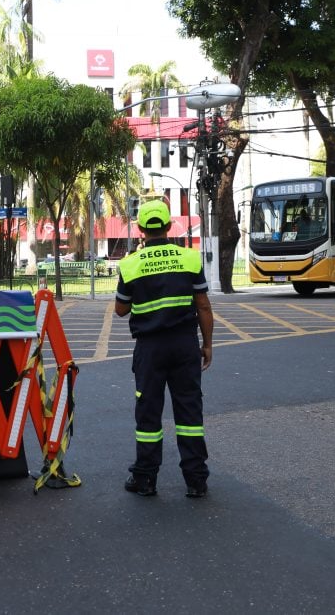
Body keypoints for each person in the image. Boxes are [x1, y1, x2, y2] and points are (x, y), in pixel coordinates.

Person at [114, 199, 214, 499]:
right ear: (169, 227)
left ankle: (145, 478)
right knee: (189, 413)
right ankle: (196, 480)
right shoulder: (189, 259)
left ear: (142, 229)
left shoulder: (130, 265)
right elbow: (204, 306)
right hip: (185, 346)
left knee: (148, 414)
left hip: (150, 349)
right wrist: (207, 344)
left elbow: (120, 310)